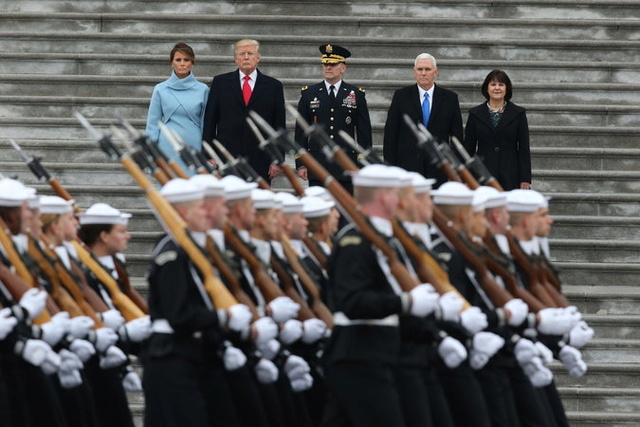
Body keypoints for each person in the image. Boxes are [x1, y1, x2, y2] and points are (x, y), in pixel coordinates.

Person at [203, 39, 286, 183]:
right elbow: (210, 120)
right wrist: (208, 154)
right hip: (227, 156)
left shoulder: (274, 86)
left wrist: (277, 160)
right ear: (235, 59)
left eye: (250, 53)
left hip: (261, 158)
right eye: (242, 54)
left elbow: (279, 125)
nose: (246, 57)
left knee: (259, 203)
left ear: (258, 58)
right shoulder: (220, 83)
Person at [295, 44, 372, 194]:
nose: (328, 68)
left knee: (345, 210)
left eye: (333, 64)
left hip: (345, 164)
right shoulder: (309, 94)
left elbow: (364, 133)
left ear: (343, 68)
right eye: (325, 64)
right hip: (318, 162)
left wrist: (362, 164)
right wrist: (301, 163)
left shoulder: (355, 94)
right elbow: (301, 132)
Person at [383, 53, 463, 187]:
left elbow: (457, 137)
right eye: (420, 69)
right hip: (407, 169)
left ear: (436, 72)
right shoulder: (401, 96)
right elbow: (391, 134)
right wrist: (391, 169)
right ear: (414, 72)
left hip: (440, 168)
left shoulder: (450, 99)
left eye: (428, 69)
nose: (423, 73)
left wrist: (454, 169)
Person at [146, 42, 209, 172]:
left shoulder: (203, 90)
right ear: (171, 62)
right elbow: (152, 124)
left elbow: (205, 124)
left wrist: (206, 152)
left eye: (186, 60)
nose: (182, 63)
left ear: (192, 62)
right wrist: (151, 152)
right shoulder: (160, 89)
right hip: (167, 146)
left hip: (194, 146)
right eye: (178, 60)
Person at [464, 70, 532, 190]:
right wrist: (466, 177)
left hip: (511, 174)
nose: (497, 88)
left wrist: (525, 178)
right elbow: (468, 149)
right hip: (482, 174)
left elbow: (524, 149)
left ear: (507, 89)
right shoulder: (475, 114)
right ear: (486, 88)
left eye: (501, 85)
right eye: (493, 84)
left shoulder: (518, 114)